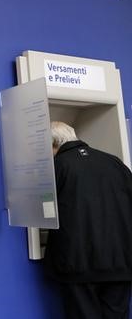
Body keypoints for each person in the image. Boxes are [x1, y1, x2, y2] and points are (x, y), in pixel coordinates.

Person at [44, 121, 132, 319]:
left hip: (78, 264)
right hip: (120, 263)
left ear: (52, 144)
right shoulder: (114, 162)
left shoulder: (57, 166)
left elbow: (45, 212)